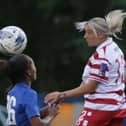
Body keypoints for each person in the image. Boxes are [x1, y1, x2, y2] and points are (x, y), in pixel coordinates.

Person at [44, 10, 126, 126]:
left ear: (101, 34)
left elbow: (91, 87)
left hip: (99, 108)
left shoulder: (101, 56)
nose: (85, 36)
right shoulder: (116, 49)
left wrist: (62, 94)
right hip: (117, 108)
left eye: (89, 32)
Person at [0, 54, 59, 126]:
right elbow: (37, 125)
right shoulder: (28, 93)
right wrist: (51, 116)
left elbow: (25, 116)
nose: (35, 69)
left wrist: (49, 108)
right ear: (28, 72)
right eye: (33, 65)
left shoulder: (12, 91)